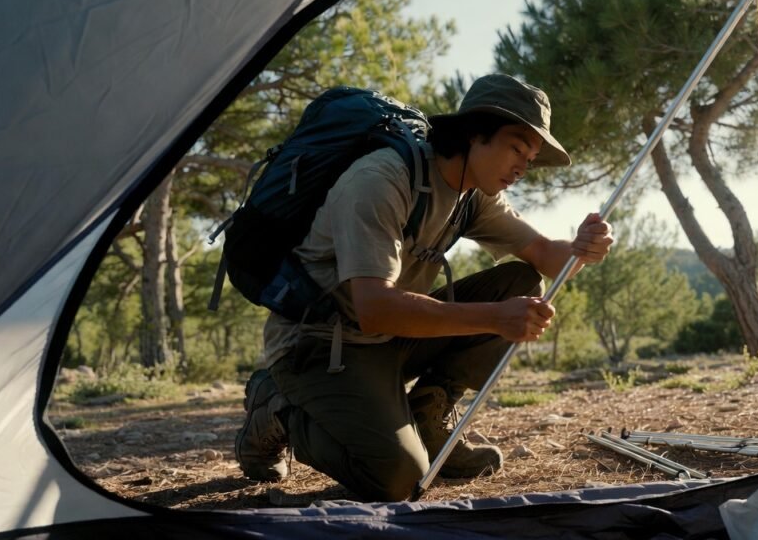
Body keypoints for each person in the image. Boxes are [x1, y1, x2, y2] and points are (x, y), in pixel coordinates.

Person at [234, 74, 613, 501]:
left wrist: (584, 249)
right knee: (399, 480)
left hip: (389, 338)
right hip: (321, 346)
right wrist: (495, 318)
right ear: (475, 133)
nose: (524, 167)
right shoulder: (381, 179)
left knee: (522, 280)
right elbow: (375, 307)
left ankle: (428, 415)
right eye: (516, 148)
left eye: (531, 156)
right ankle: (279, 409)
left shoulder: (474, 194)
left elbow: (544, 255)